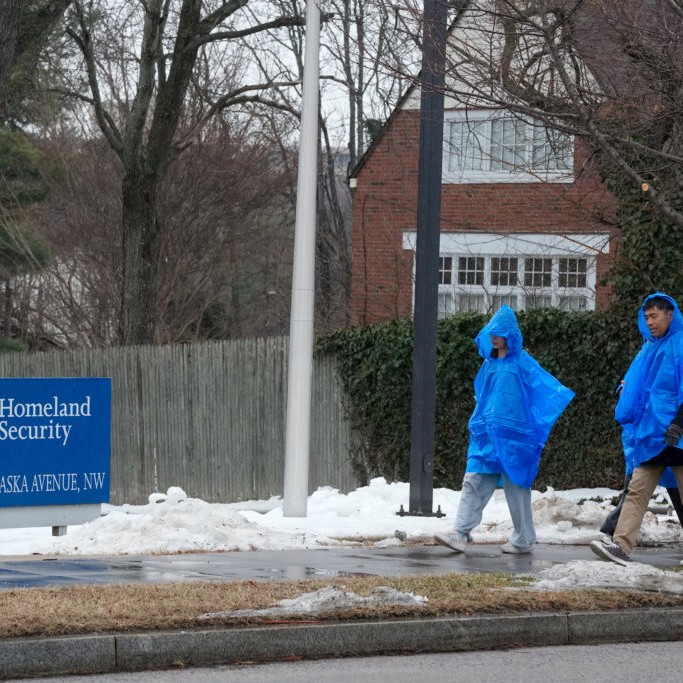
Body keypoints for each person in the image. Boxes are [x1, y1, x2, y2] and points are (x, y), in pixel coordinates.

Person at [435, 305, 574, 554]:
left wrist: (533, 428)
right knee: (473, 480)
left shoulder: (522, 363)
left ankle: (523, 539)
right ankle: (461, 532)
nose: (494, 337)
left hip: (514, 437)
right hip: (487, 435)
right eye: (492, 332)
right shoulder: (488, 365)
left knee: (517, 487)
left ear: (510, 333)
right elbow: (483, 398)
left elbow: (546, 390)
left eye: (499, 332)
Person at [591, 293, 683, 565]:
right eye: (646, 317)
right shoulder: (650, 348)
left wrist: (679, 424)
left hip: (677, 438)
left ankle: (620, 544)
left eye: (654, 316)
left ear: (670, 315)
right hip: (651, 436)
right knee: (636, 492)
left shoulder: (680, 345)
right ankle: (620, 546)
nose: (650, 322)